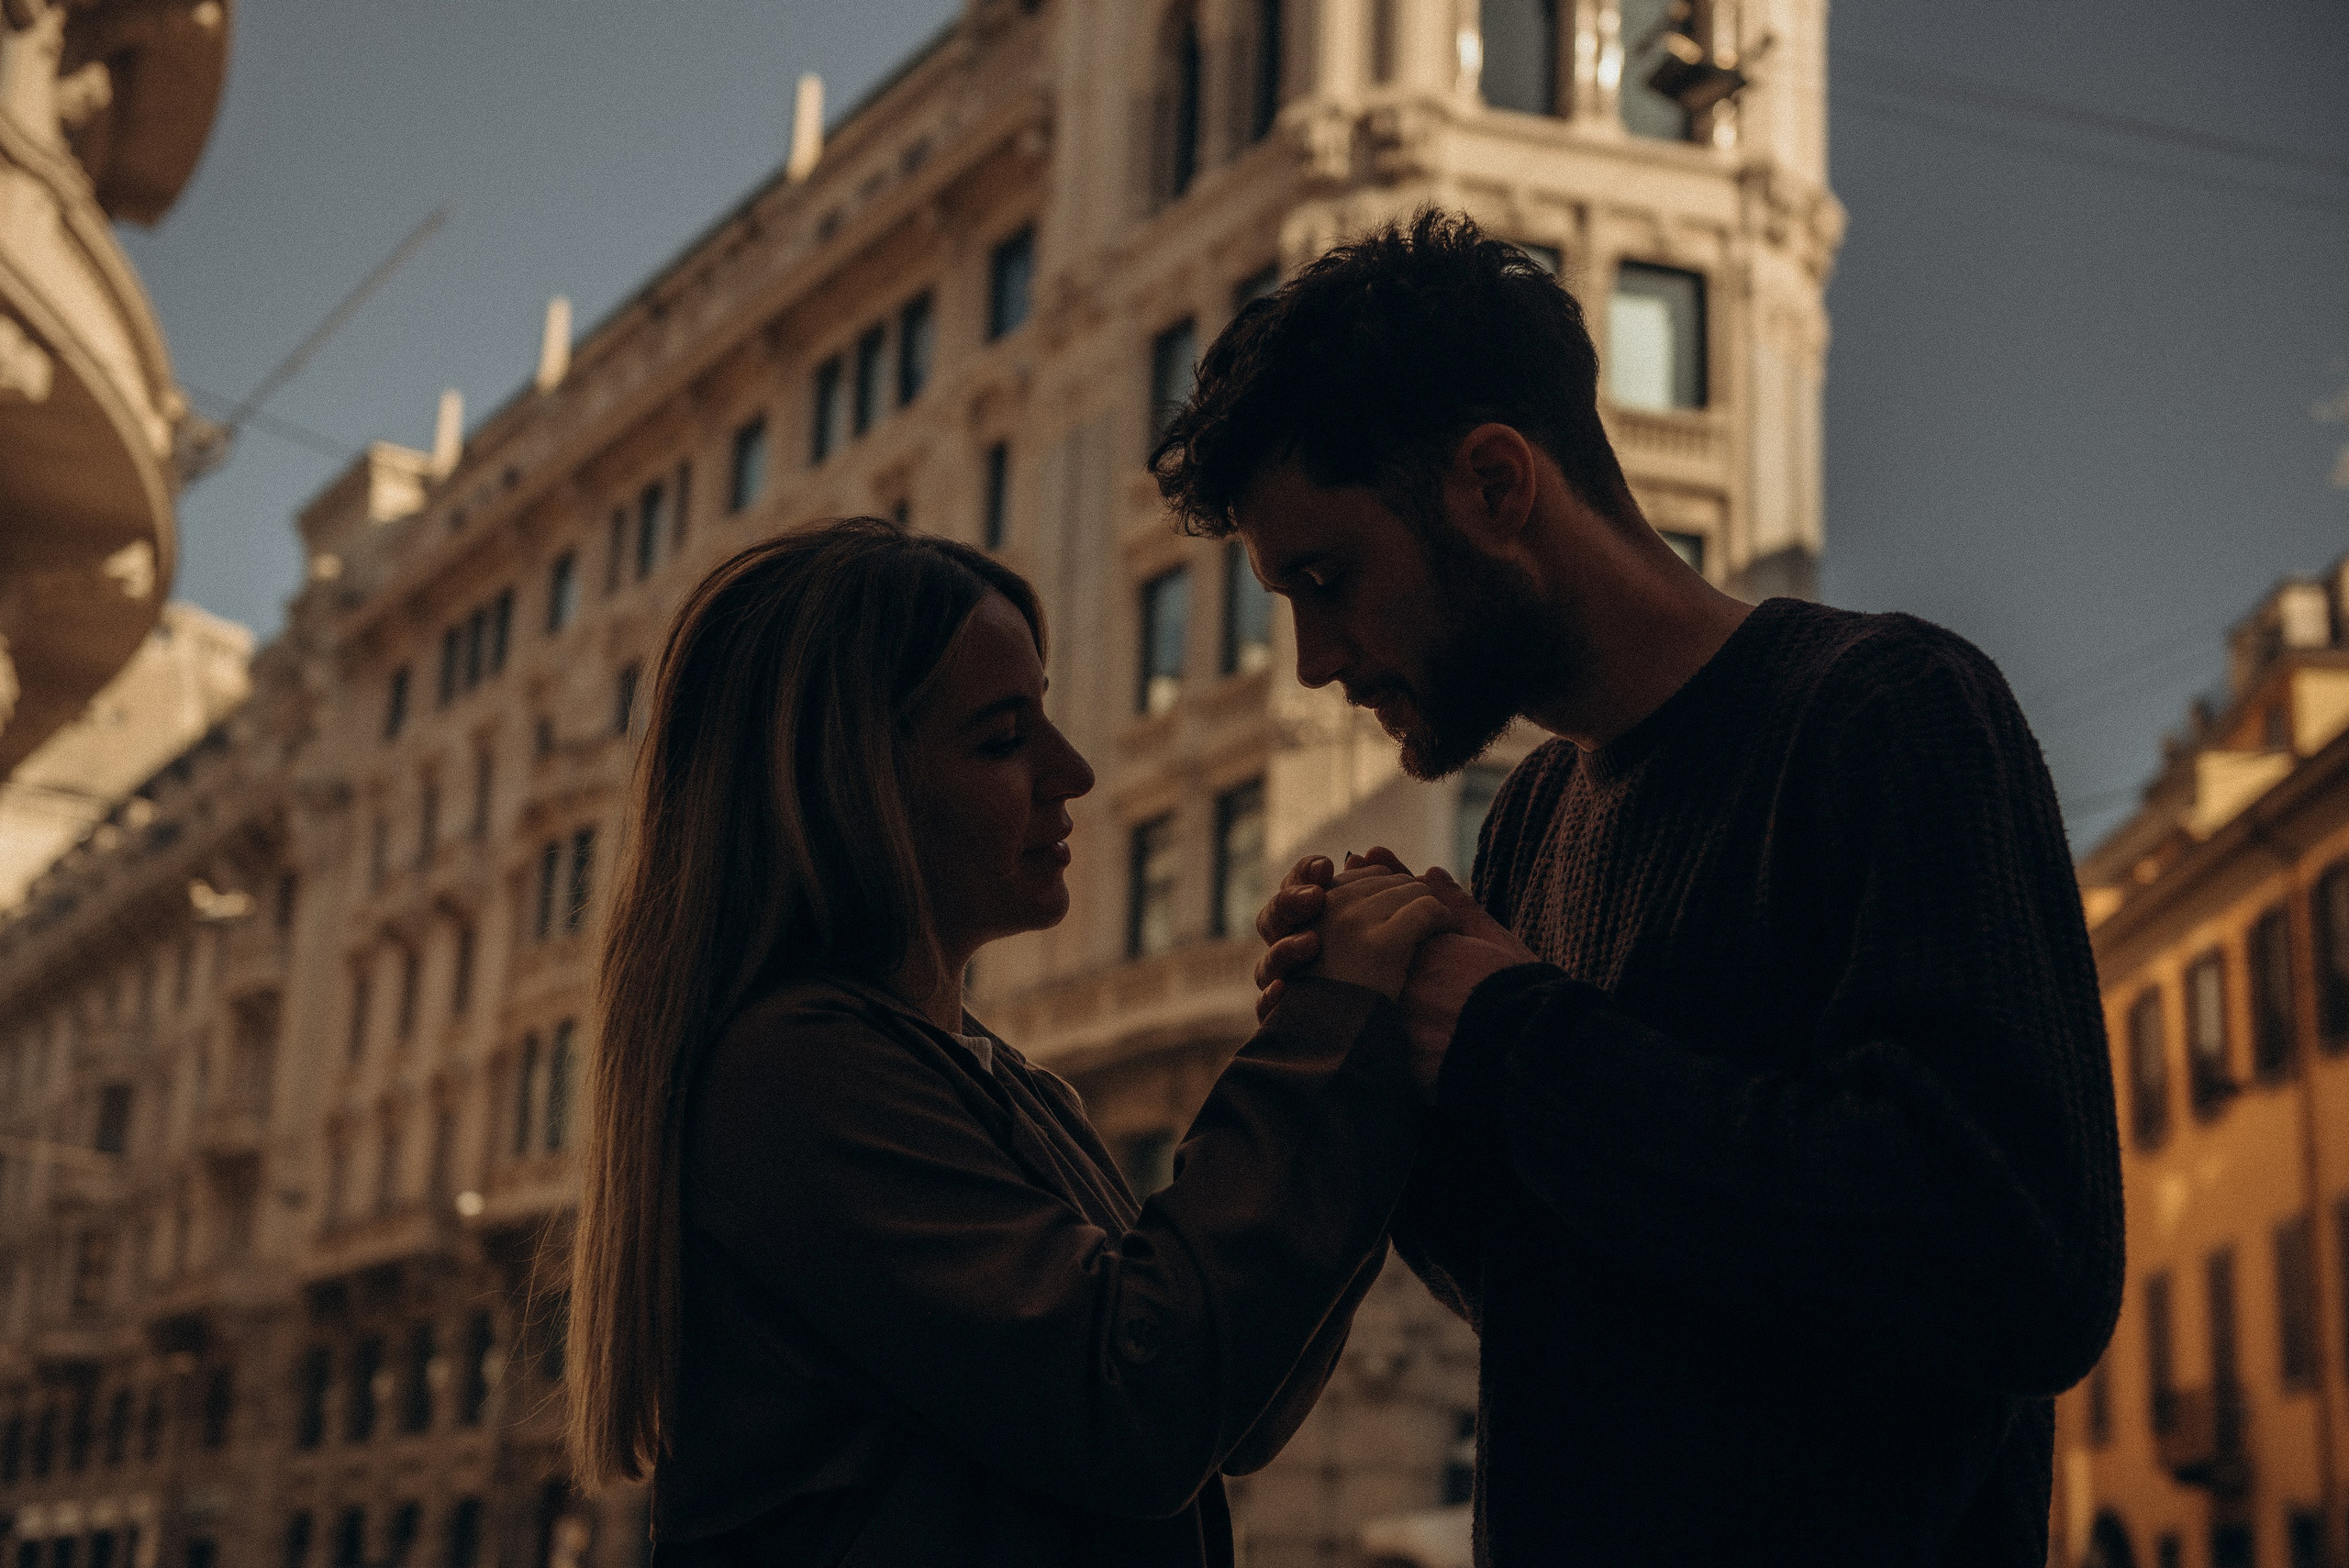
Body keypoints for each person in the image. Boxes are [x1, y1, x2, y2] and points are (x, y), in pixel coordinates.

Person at [1151, 213, 2125, 1566]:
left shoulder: (1890, 714)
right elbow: (1570, 1293)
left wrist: (1504, 1032)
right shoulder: (1534, 824)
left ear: (1497, 486)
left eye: (1329, 579)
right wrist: (1391, 1062)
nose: (1315, 658)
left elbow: (2020, 1266)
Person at [564, 519, 1458, 1567]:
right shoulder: (794, 1073)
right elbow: (1140, 1398)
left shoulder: (1002, 1084)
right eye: (1000, 737)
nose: (1071, 770)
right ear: (847, 786)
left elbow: (1228, 1410)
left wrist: (1345, 1054)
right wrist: (1327, 1031)